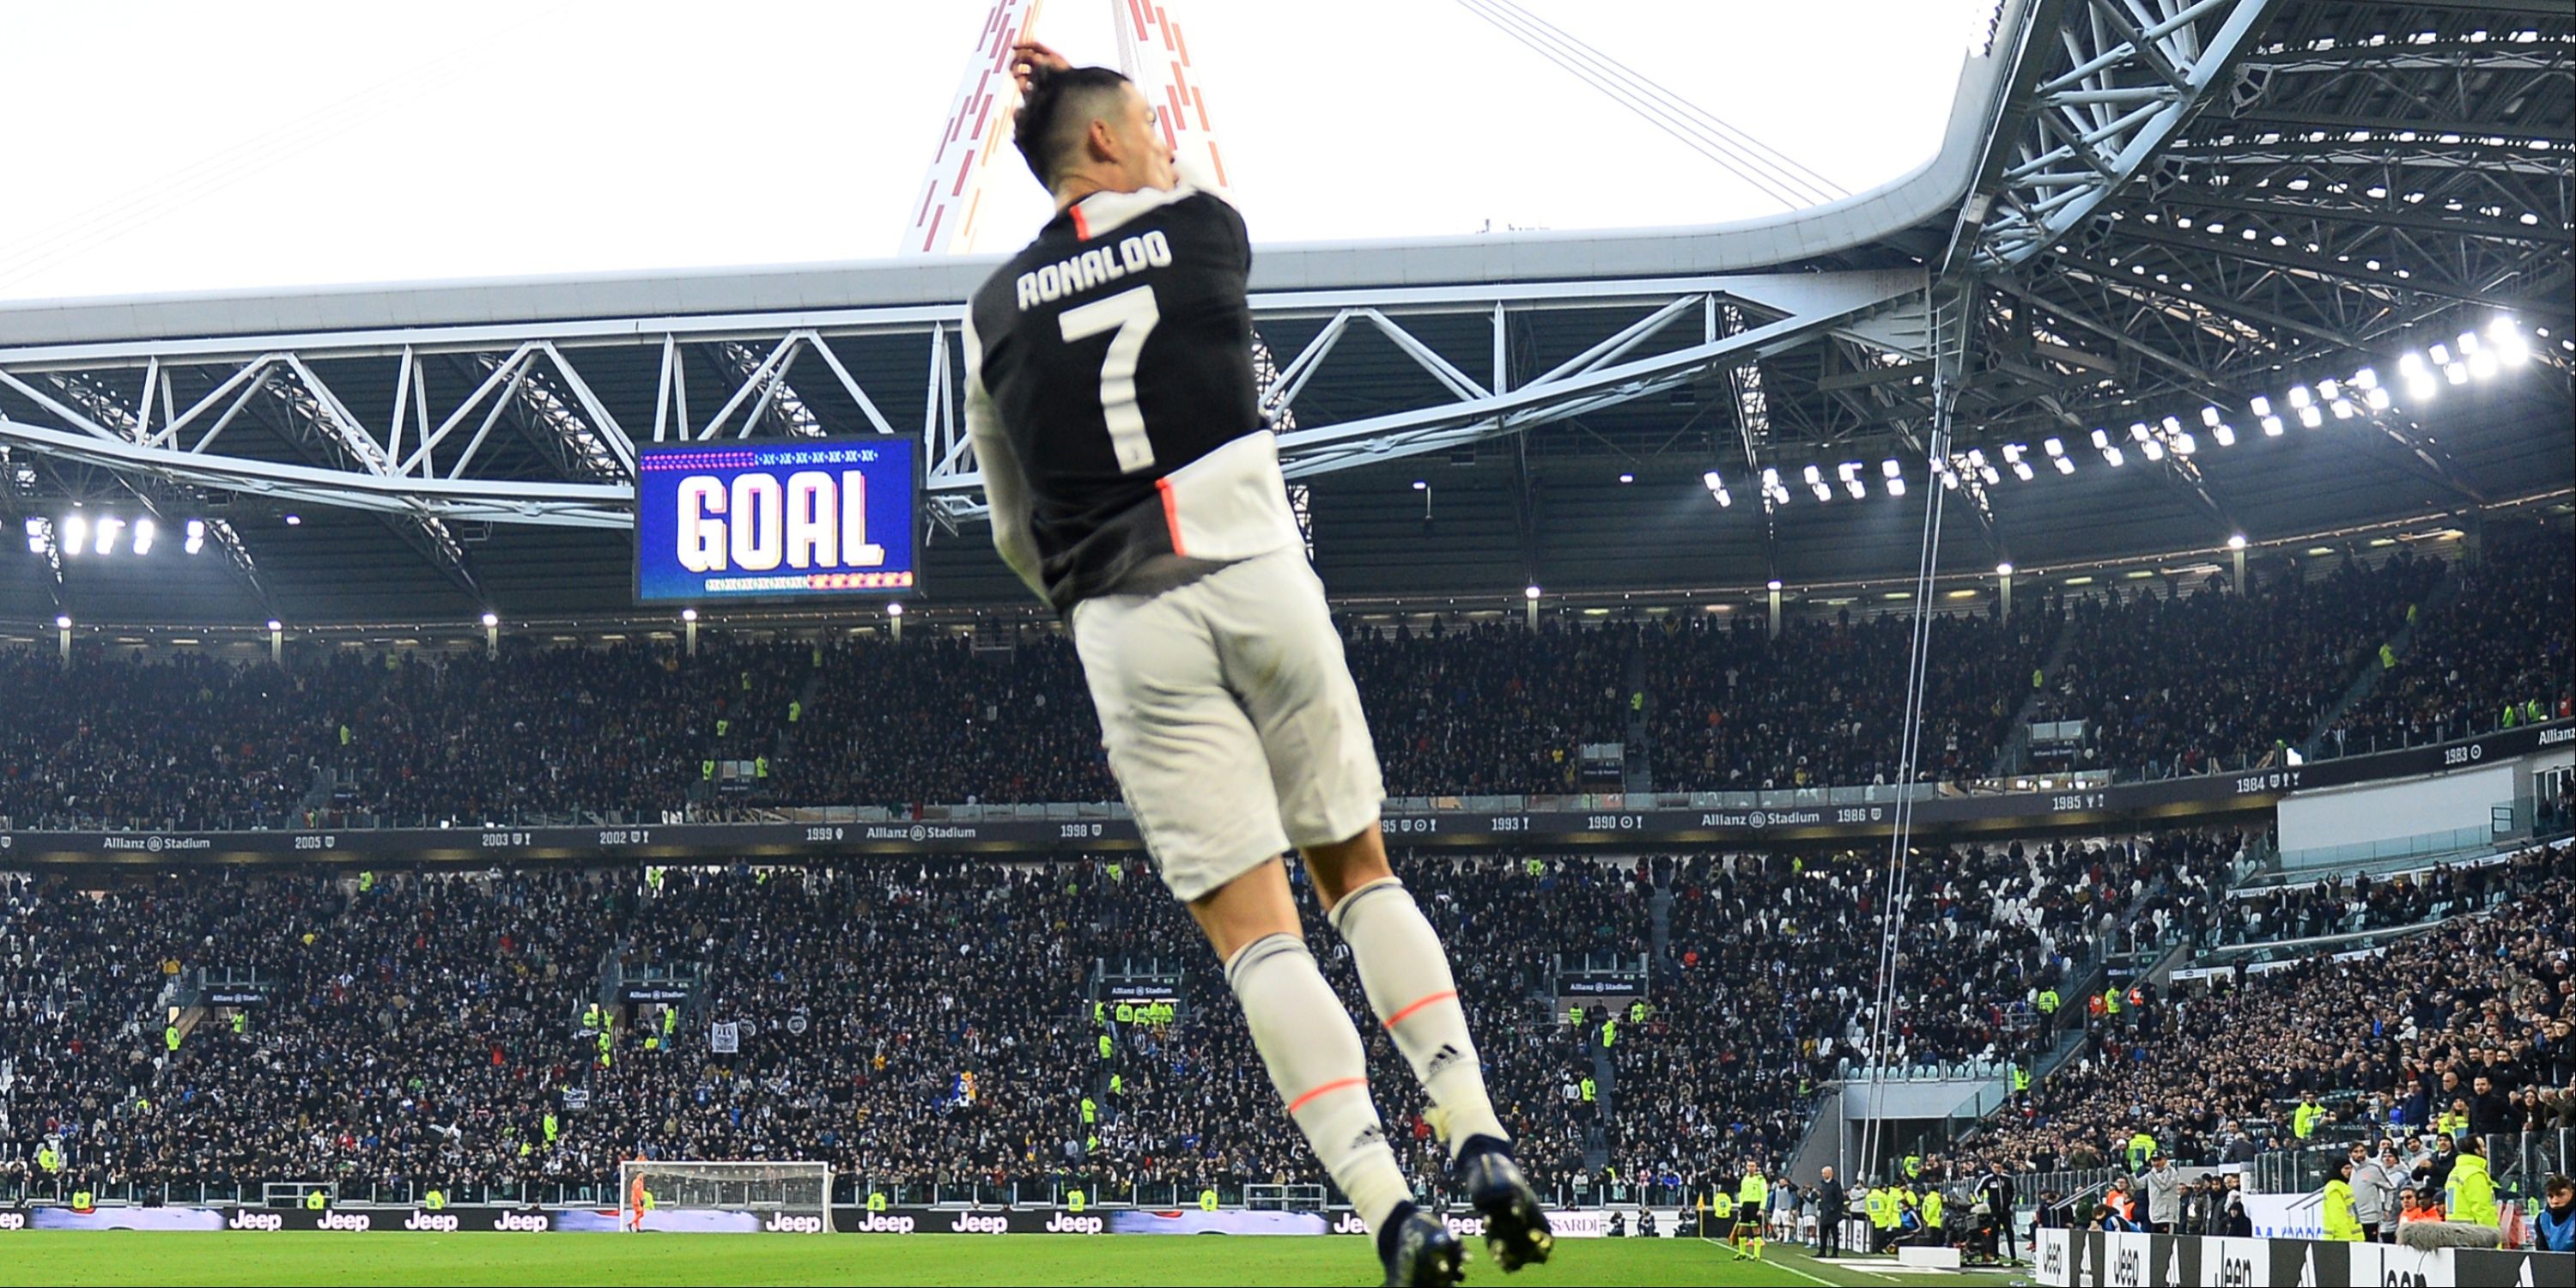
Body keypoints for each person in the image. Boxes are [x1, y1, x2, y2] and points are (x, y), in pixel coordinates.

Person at [964, 41, 1551, 1288]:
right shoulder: (1205, 228)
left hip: (1125, 618)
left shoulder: (995, 315)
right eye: (1150, 127)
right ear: (1112, 148)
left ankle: (1392, 1210)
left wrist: (1085, 593)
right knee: (1359, 872)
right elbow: (1159, 203)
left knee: (1257, 942)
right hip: (1255, 567)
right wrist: (1088, 93)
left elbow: (1013, 528)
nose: (1168, 142)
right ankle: (1478, 1133)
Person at [2322, 1158, 2366, 1242]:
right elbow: (2338, 1217)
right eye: (2346, 1168)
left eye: (2350, 1168)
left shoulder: (2344, 1186)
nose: (2349, 1171)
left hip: (2353, 1239)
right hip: (2340, 1239)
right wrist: (2346, 1239)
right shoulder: (2335, 1188)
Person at [2534, 1175, 2574, 1254]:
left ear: (2572, 1192)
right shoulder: (2542, 1220)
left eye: (2560, 1195)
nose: (2555, 1201)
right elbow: (2541, 1255)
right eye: (2550, 1196)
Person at [1814, 1166, 1847, 1258]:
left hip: (1833, 1215)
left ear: (1830, 1173)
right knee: (1822, 1233)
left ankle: (1835, 1252)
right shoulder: (1823, 1184)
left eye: (1824, 1173)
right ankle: (1822, 1251)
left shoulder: (1836, 1185)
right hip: (1824, 1213)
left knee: (1834, 1234)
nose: (1823, 1175)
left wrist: (1833, 1208)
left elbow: (1840, 1198)